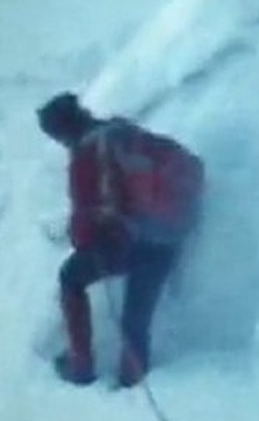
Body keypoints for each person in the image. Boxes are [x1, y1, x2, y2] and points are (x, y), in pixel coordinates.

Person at [37, 92, 204, 387]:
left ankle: (81, 366)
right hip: (169, 235)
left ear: (61, 131)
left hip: (127, 243)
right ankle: (132, 376)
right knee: (135, 319)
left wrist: (83, 240)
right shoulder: (122, 131)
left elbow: (92, 216)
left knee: (70, 279)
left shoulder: (86, 153)